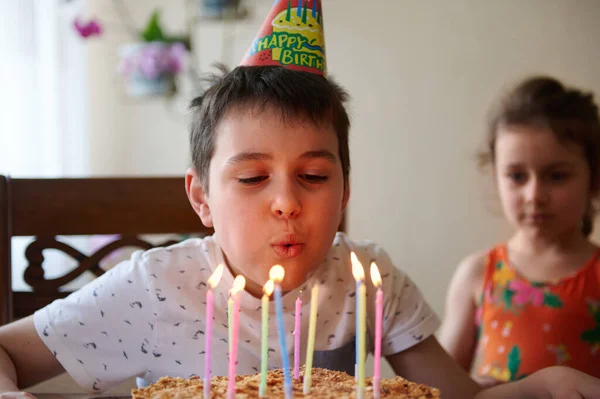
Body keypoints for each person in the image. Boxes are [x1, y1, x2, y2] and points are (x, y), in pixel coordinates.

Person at [1, 1, 600, 396]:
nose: (287, 202)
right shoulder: (156, 288)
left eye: (313, 176)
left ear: (345, 189)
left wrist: (542, 387)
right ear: (201, 198)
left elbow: (457, 396)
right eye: (252, 178)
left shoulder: (369, 284)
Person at [440, 75, 600, 388]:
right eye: (517, 176)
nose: (534, 195)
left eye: (556, 176)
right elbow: (439, 387)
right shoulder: (478, 274)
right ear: (496, 176)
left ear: (593, 178)